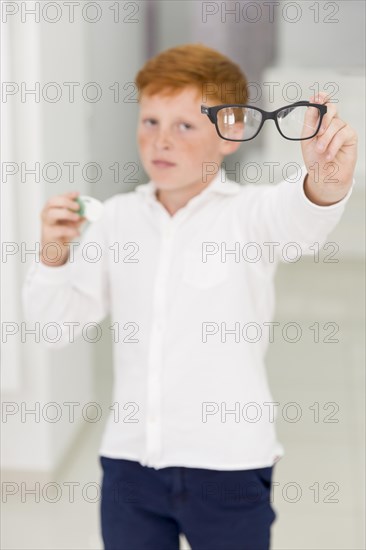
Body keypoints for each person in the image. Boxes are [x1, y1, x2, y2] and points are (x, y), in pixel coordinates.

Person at [22, 43, 357, 550]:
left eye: (184, 126)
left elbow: (302, 216)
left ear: (232, 131)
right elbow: (52, 327)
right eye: (150, 122)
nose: (160, 141)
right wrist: (51, 257)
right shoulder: (115, 220)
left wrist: (325, 179)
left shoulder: (248, 214)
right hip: (130, 467)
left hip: (228, 467)